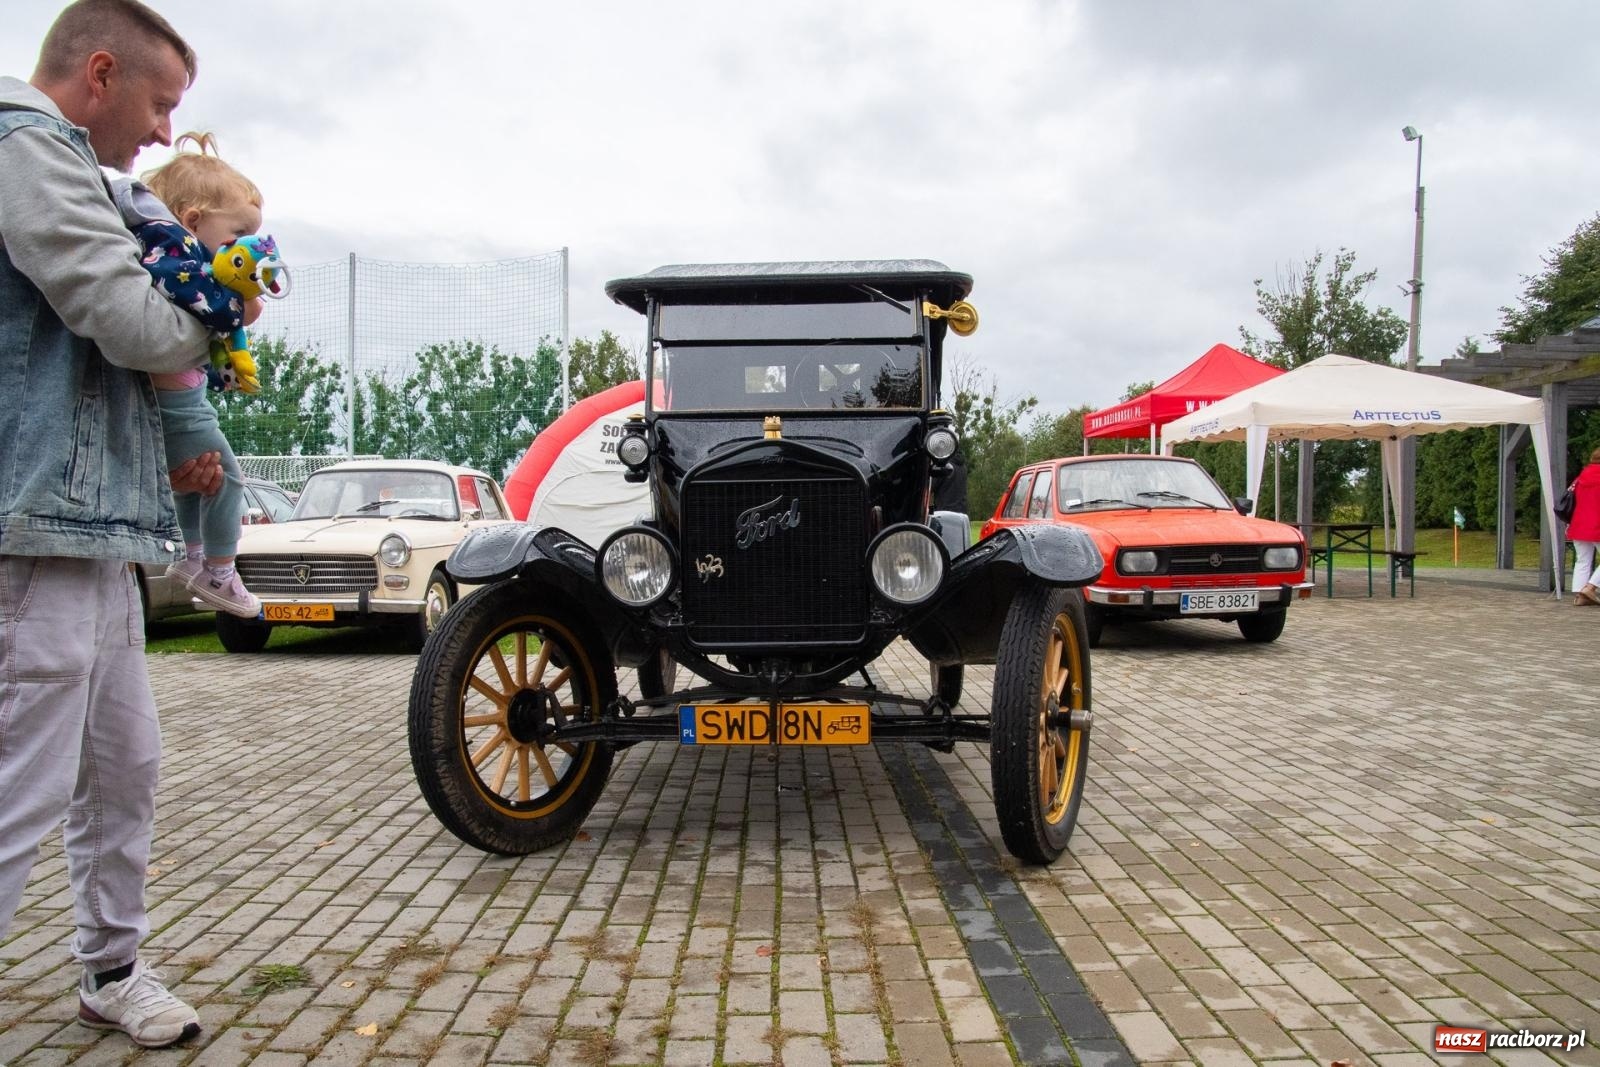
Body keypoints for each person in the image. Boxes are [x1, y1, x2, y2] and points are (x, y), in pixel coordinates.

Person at [0, 0, 232, 1049]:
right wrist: (218, 309)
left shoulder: (87, 177)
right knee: (21, 785)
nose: (164, 135)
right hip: (34, 535)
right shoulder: (27, 151)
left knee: (123, 766)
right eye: (159, 104)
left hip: (92, 532)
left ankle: (110, 966)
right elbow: (131, 321)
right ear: (99, 72)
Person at [111, 131, 266, 617]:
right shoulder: (177, 262)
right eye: (234, 235)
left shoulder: (176, 257)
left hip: (178, 402)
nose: (241, 247)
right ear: (193, 221)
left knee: (196, 483)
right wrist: (243, 305)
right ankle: (220, 569)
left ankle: (194, 557)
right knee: (227, 481)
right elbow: (219, 312)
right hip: (179, 406)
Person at [1568, 446, 1600, 606]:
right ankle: (1590, 587)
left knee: (1582, 560)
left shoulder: (1581, 477)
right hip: (1597, 523)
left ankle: (1580, 595)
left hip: (1579, 523)